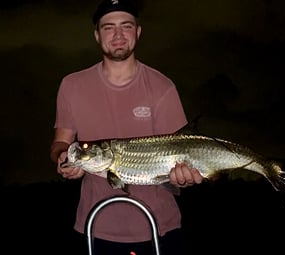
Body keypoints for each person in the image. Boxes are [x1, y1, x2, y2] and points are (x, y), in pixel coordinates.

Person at [50, 0, 203, 254]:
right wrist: (62, 158)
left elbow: (181, 153)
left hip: (159, 227)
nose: (118, 35)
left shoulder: (162, 87)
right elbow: (60, 143)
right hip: (93, 225)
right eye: (109, 28)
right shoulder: (72, 86)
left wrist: (184, 177)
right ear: (97, 35)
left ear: (138, 32)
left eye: (126, 26)